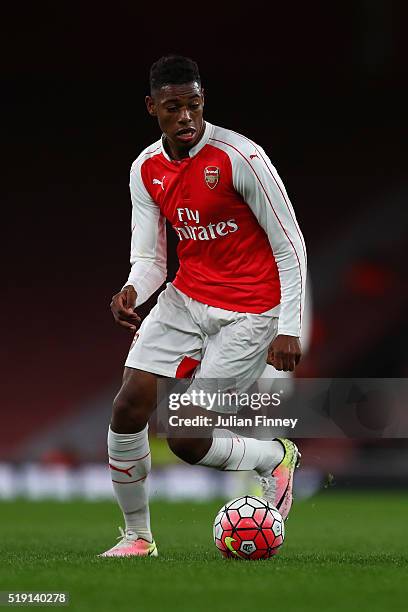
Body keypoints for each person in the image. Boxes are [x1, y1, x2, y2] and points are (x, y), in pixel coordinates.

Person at [100, 55, 307, 557]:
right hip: (187, 296)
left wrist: (288, 327)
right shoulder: (145, 168)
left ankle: (274, 456)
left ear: (202, 102)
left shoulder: (242, 158)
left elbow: (290, 244)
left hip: (250, 311)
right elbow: (151, 257)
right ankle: (137, 538)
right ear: (153, 108)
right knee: (128, 406)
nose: (186, 116)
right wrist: (133, 288)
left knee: (185, 439)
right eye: (174, 107)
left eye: (194, 104)